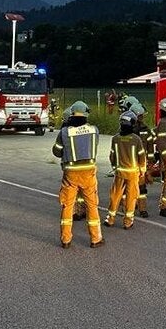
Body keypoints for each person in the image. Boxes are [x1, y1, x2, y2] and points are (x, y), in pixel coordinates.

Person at [51, 100, 103, 249]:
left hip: (71, 173)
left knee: (67, 205)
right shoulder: (94, 130)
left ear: (71, 114)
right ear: (86, 114)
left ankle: (66, 239)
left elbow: (57, 152)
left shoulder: (64, 132)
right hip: (88, 172)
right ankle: (96, 238)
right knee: (91, 205)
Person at [104, 111, 146, 229]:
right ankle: (128, 221)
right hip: (132, 173)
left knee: (115, 195)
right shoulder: (136, 139)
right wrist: (142, 170)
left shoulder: (115, 138)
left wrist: (114, 167)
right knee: (131, 197)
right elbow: (141, 157)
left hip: (119, 173)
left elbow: (112, 156)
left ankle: (110, 218)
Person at [132, 102, 155, 218]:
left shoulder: (146, 130)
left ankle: (142, 209)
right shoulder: (126, 130)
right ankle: (129, 207)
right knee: (128, 187)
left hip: (141, 163)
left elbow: (150, 148)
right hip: (130, 164)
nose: (142, 118)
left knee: (142, 188)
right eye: (140, 116)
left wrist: (150, 163)